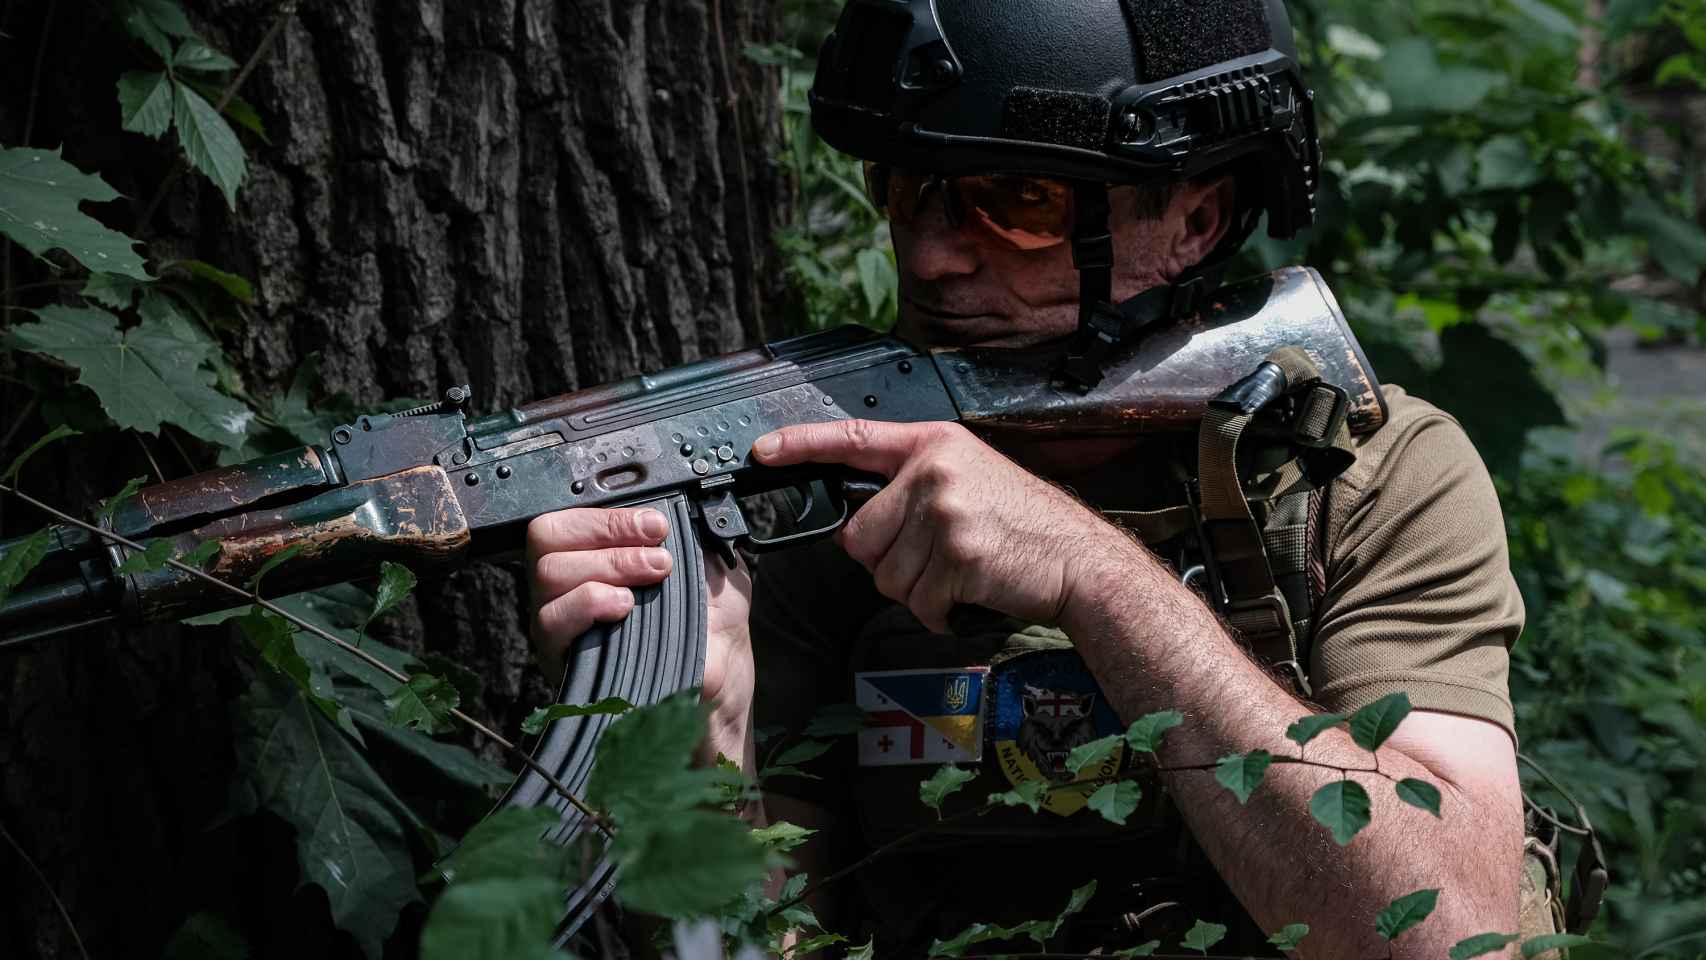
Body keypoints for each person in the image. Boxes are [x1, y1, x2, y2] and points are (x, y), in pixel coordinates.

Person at [525, 1, 1530, 955]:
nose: (928, 257)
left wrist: (1089, 575)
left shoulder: (1354, 474)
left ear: (1194, 222)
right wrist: (713, 762)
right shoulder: (825, 507)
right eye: (903, 185)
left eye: (1019, 203)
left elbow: (1444, 941)